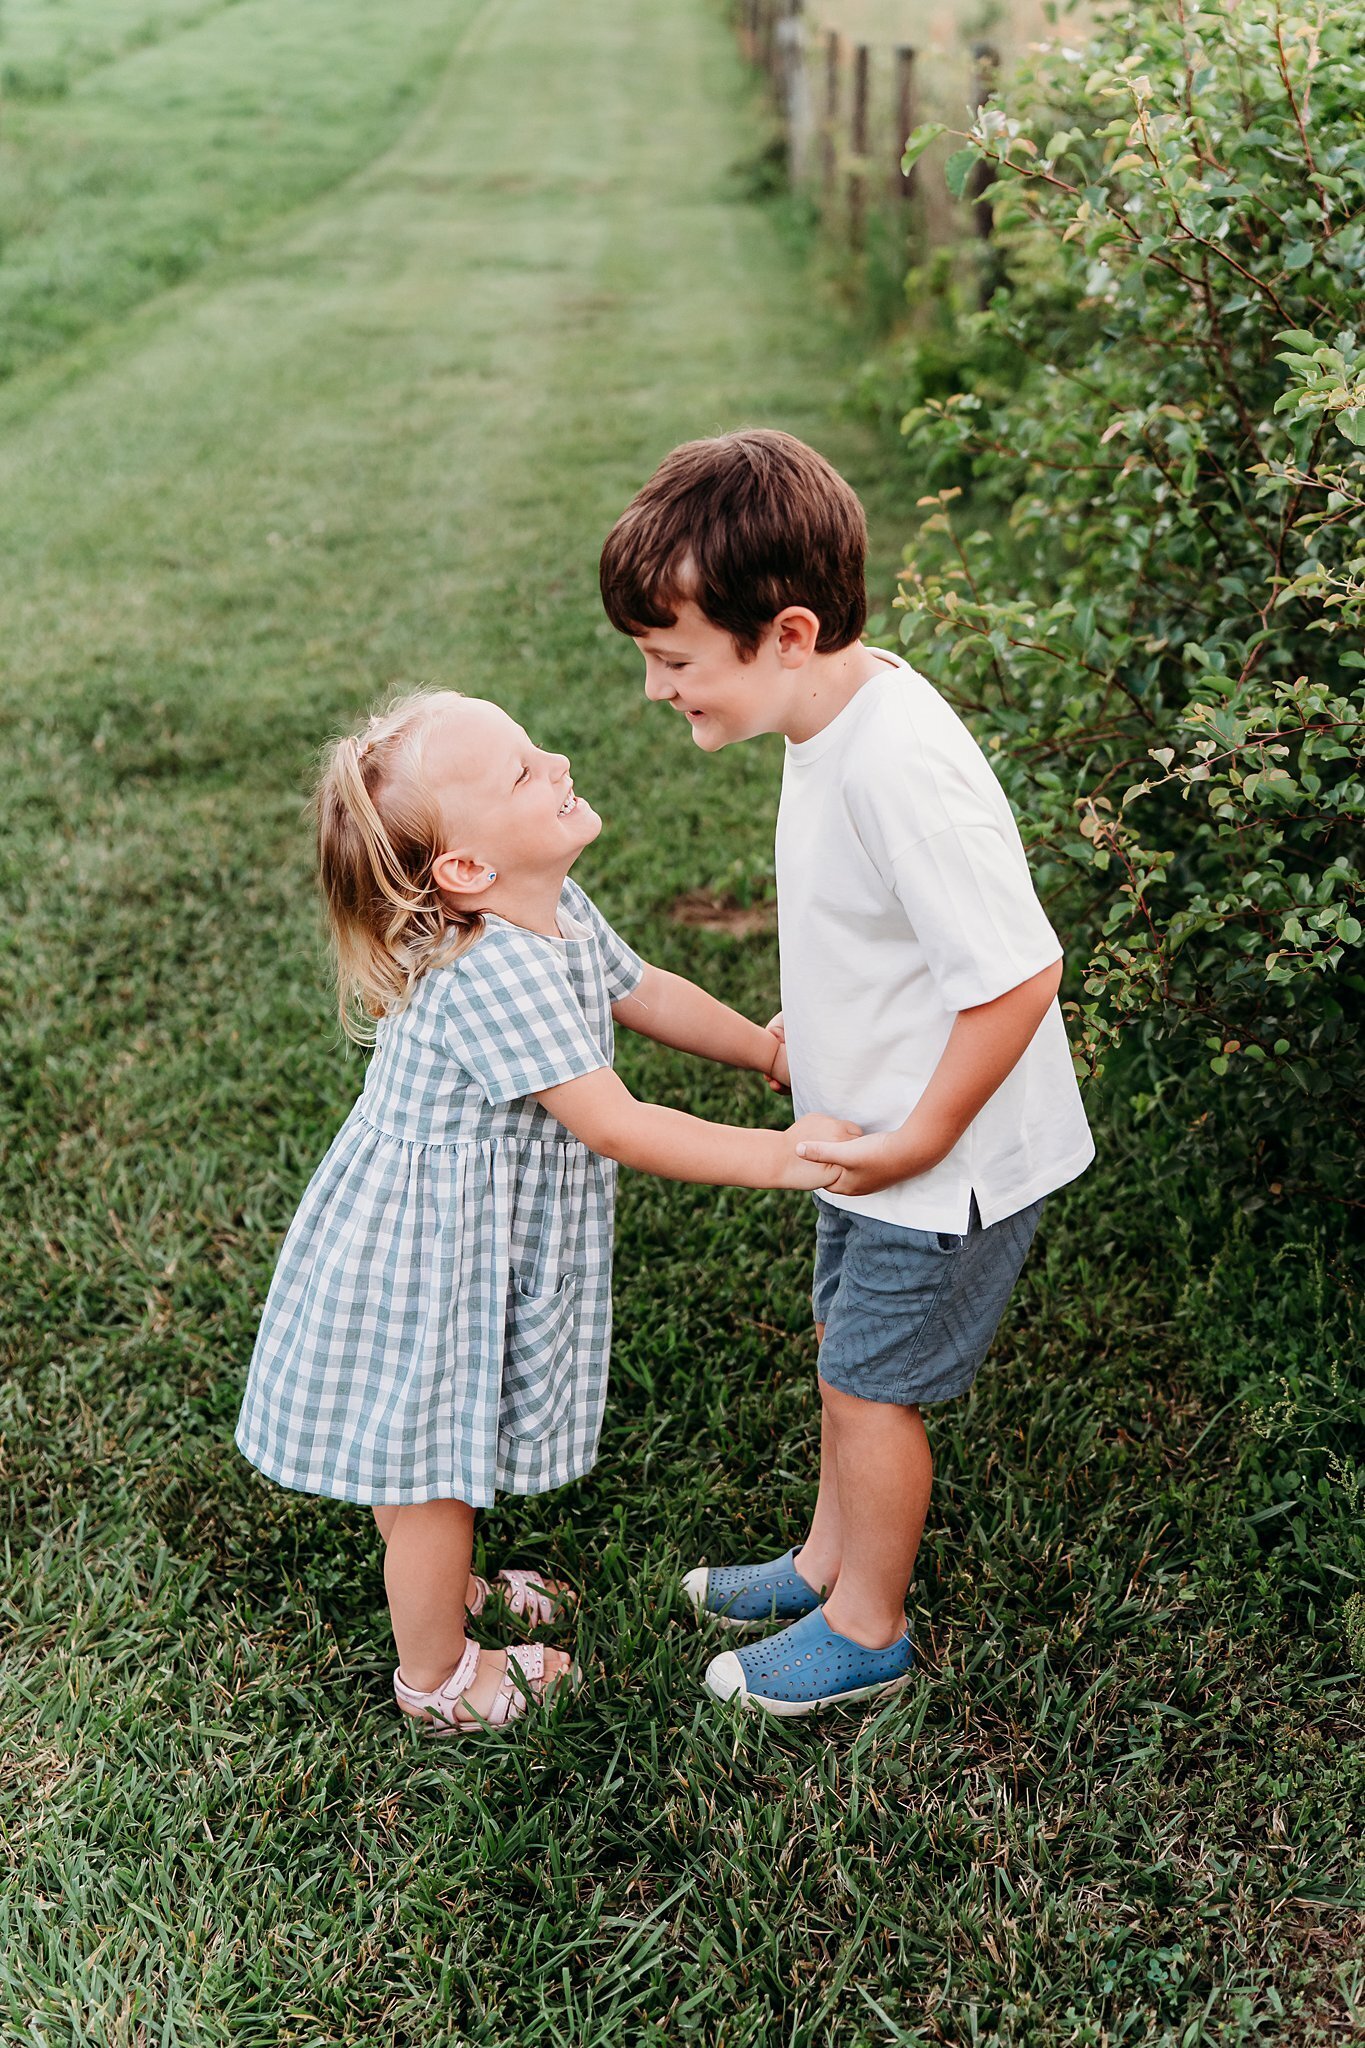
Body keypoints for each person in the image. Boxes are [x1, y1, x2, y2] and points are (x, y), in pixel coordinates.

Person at [234, 688, 855, 1736]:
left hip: (445, 1234)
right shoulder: (490, 967)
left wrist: (764, 1046)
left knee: (427, 1448)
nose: (559, 758)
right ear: (466, 871)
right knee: (431, 1467)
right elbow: (615, 1122)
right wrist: (783, 1157)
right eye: (524, 771)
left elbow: (641, 987)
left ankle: (450, 1587)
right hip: (428, 1255)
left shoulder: (549, 910)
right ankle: (436, 1675)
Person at [601, 428, 1095, 1716]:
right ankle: (825, 1560)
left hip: (945, 1158)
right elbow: (880, 939)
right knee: (841, 1347)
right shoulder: (829, 720)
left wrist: (924, 1134)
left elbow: (1016, 977)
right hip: (870, 1132)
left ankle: (869, 1624)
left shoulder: (899, 765)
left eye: (673, 662)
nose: (658, 691)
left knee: (874, 1386)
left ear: (790, 634)